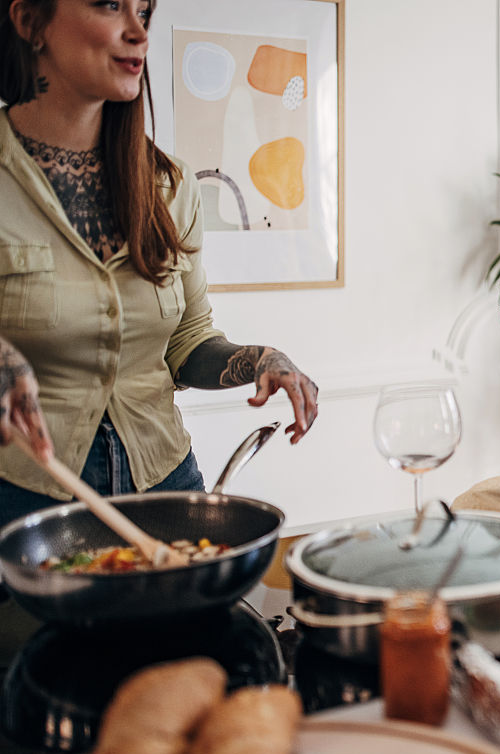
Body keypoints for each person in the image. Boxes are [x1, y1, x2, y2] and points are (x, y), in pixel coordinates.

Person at [0, 0, 319, 532]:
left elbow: (188, 345)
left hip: (167, 489)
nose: (137, 31)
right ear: (31, 22)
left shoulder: (171, 186)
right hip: (23, 499)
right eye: (109, 6)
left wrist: (262, 357)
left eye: (144, 12)